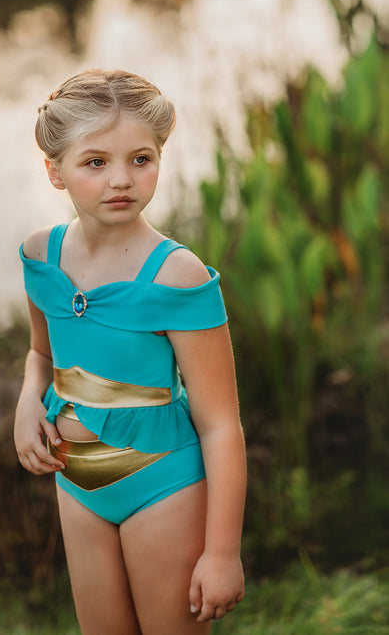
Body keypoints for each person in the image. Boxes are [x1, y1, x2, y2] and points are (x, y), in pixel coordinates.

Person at [14, 69, 246, 634]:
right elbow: (41, 355)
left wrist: (222, 554)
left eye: (141, 159)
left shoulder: (176, 275)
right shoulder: (41, 255)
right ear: (55, 171)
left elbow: (221, 425)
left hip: (162, 481)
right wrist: (27, 404)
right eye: (95, 162)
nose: (121, 179)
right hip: (77, 480)